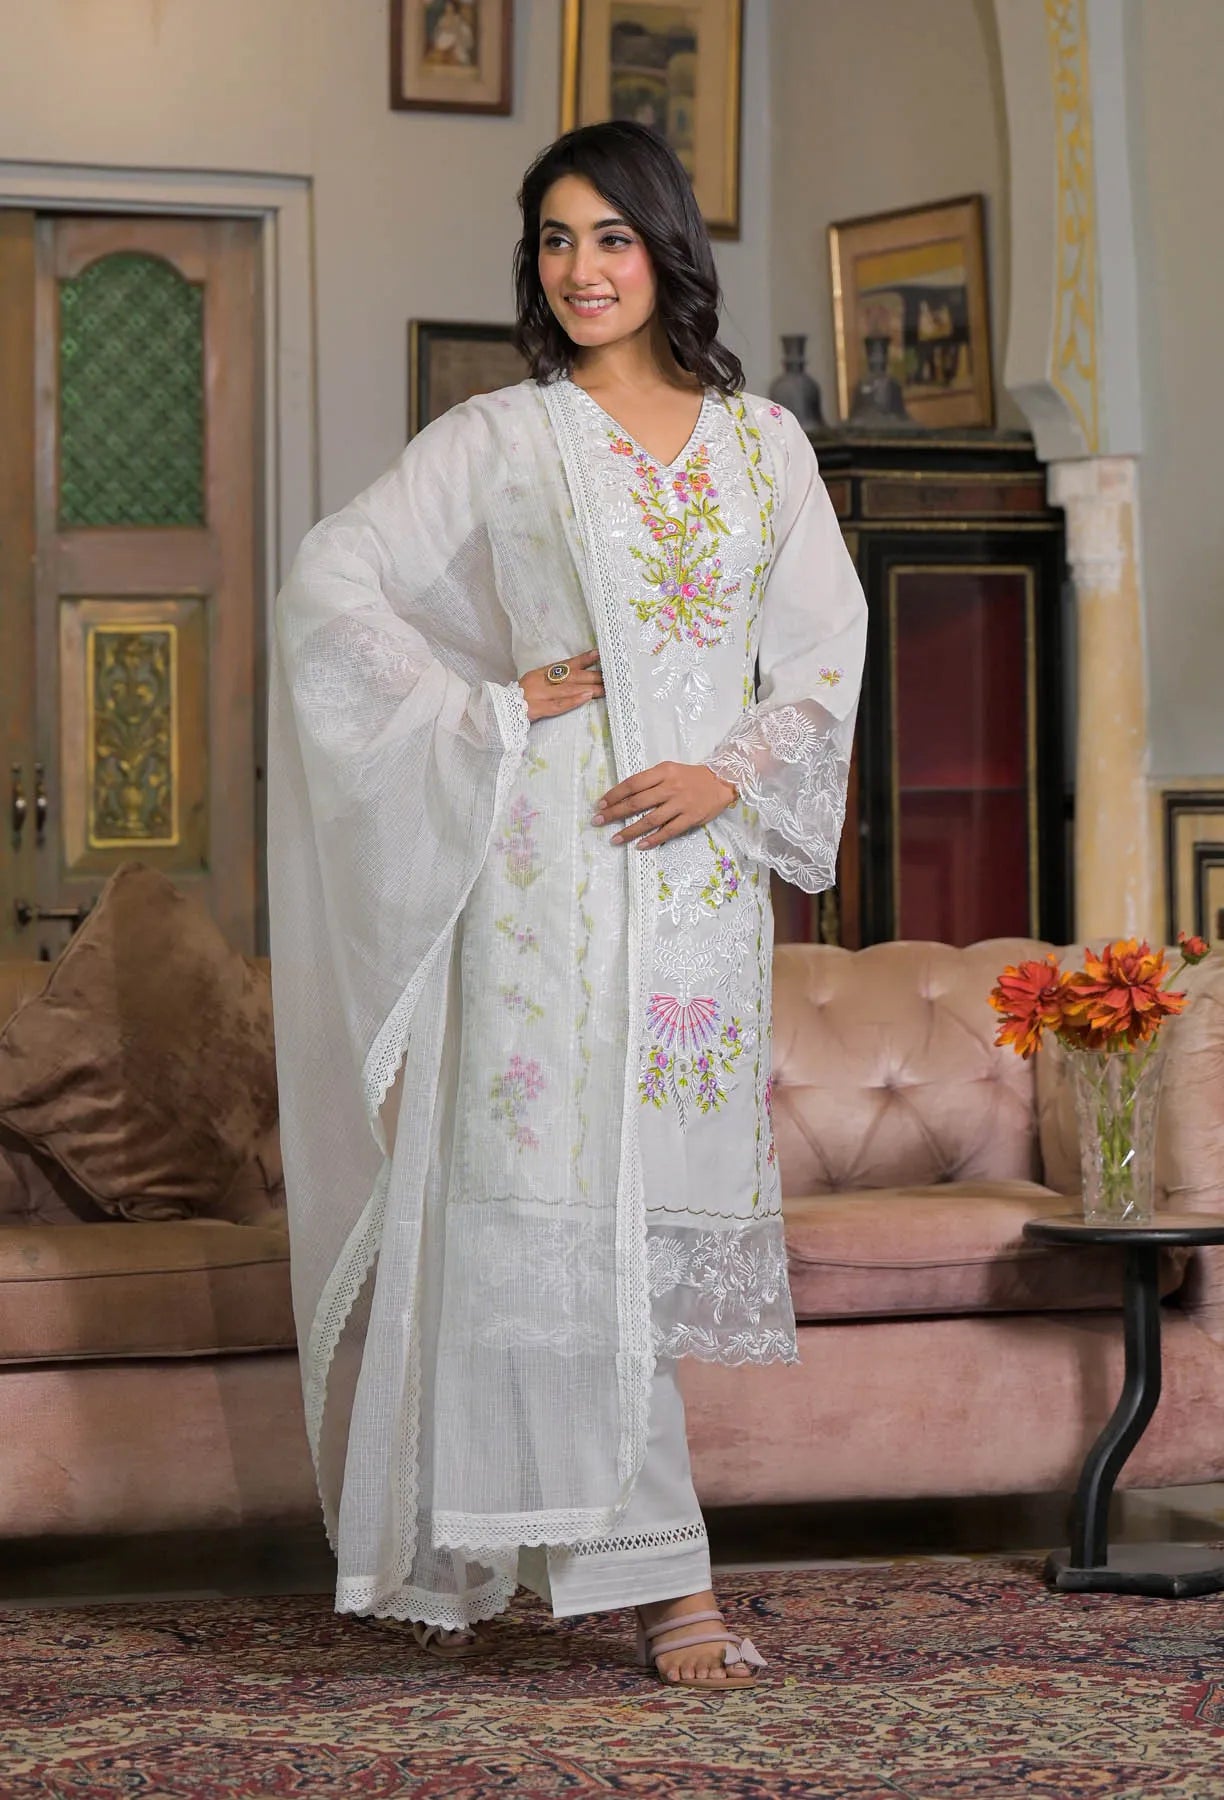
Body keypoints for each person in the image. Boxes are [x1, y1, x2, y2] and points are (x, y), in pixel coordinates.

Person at [267, 121, 867, 1690]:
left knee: (639, 1242)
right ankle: (672, 1592)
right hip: (540, 882)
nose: (582, 269)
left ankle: (594, 1551)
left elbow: (824, 648)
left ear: (667, 247)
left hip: (698, 892)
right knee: (546, 1231)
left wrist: (728, 775)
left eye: (610, 236)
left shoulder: (765, 446)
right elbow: (328, 583)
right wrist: (486, 704)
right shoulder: (502, 437)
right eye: (554, 239)